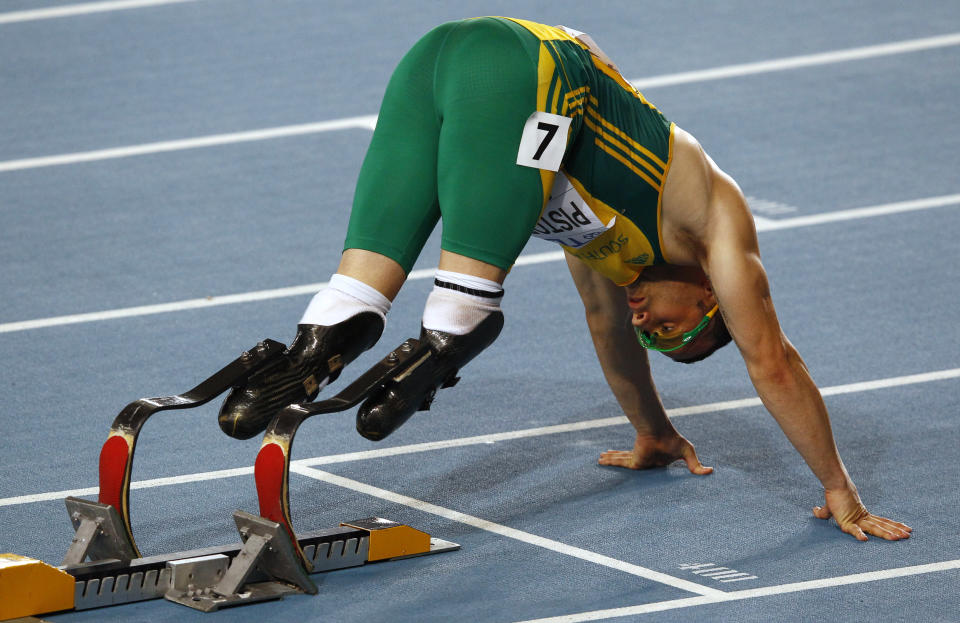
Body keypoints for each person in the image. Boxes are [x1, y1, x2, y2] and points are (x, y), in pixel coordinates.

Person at [219, 17, 910, 542]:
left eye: (655, 334)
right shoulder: (720, 231)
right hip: (524, 71)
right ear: (710, 297)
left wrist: (655, 432)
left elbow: (609, 331)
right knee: (467, 299)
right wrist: (839, 488)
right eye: (668, 327)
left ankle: (318, 339)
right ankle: (449, 331)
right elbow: (773, 362)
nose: (646, 322)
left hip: (433, 62)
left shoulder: (610, 255)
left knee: (361, 282)